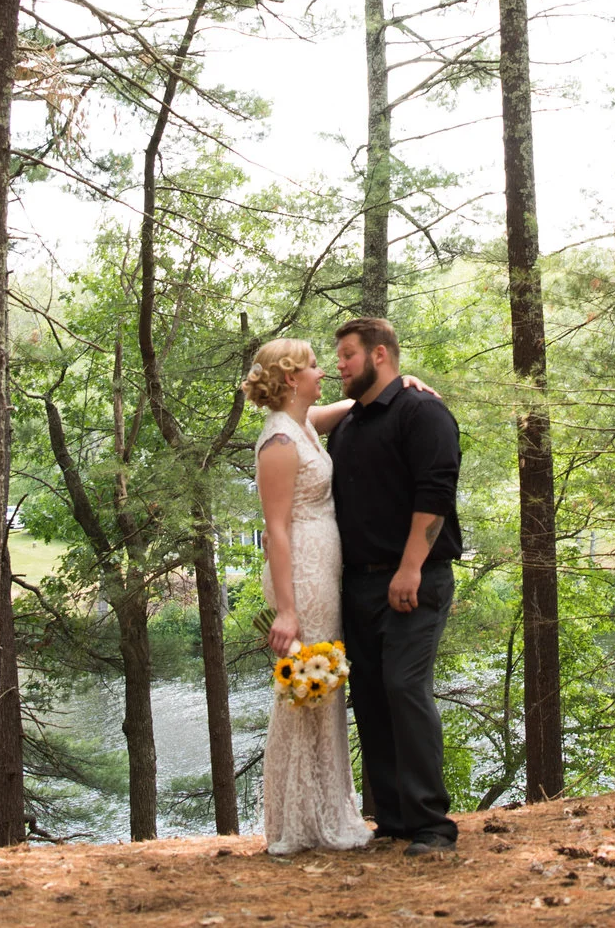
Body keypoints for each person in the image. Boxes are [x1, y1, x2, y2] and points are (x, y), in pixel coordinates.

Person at [326, 316, 461, 857]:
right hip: (356, 586)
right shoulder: (350, 425)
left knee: (405, 689)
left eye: (347, 355)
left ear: (380, 355)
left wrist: (409, 567)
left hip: (415, 577)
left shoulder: (422, 411)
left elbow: (436, 490)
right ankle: (394, 820)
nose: (339, 364)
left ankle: (432, 826)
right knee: (372, 697)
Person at [246, 338, 370, 855]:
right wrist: (287, 611)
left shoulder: (301, 425)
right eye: (316, 366)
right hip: (303, 574)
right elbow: (275, 530)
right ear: (293, 378)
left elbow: (336, 408)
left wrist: (399, 385)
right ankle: (299, 821)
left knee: (324, 687)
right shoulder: (278, 442)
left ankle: (324, 810)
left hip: (323, 569)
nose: (325, 372)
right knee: (307, 690)